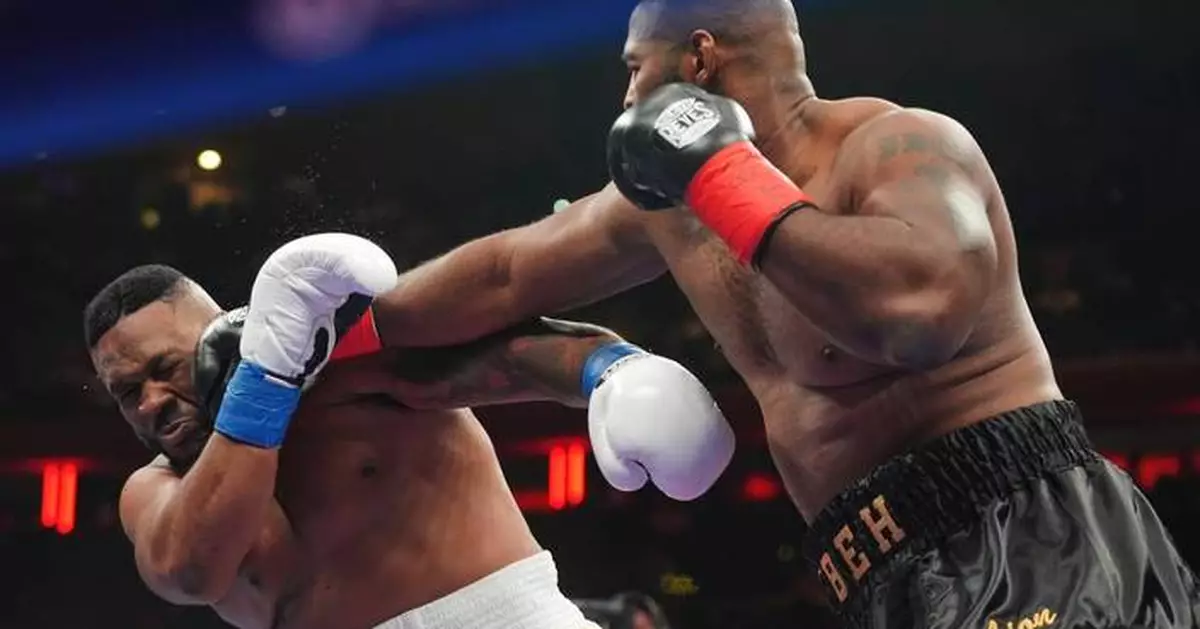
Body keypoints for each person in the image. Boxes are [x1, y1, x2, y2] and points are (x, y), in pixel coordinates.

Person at [367, 1, 1200, 627]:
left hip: (1028, 533)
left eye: (633, 67)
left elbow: (920, 315)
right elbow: (508, 275)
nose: (623, 93)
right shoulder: (666, 207)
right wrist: (334, 327)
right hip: (873, 572)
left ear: (698, 60)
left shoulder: (897, 145)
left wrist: (725, 177)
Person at [84, 233, 735, 629]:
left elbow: (498, 350)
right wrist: (263, 383)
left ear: (218, 329)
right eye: (125, 394)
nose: (150, 404)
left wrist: (608, 368)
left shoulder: (341, 370)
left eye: (164, 369)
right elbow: (192, 571)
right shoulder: (154, 494)